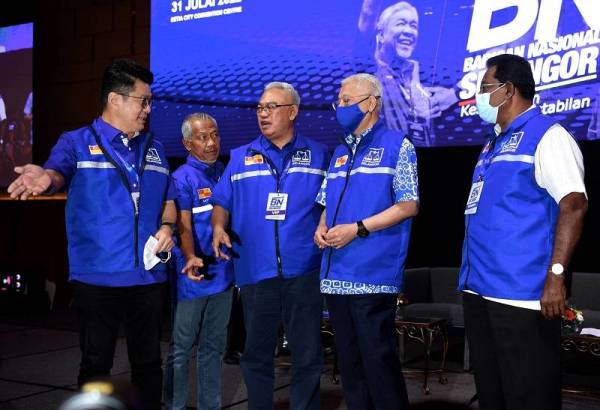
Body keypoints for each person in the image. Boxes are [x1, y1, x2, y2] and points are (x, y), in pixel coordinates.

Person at [8, 59, 176, 410]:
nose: (149, 108)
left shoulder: (156, 148)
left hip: (148, 278)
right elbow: (56, 172)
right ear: (115, 100)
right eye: (143, 100)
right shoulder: (76, 142)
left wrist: (167, 227)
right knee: (96, 367)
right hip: (97, 279)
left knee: (149, 366)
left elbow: (169, 199)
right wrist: (45, 178)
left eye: (150, 101)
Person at [458, 54, 588, 410]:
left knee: (529, 396)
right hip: (479, 289)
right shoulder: (492, 144)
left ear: (508, 90)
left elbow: (574, 204)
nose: (478, 97)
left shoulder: (548, 136)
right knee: (493, 395)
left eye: (484, 88)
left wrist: (556, 277)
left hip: (521, 295)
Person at [210, 82, 329, 410]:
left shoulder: (320, 155)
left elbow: (333, 202)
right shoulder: (239, 156)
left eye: (272, 107)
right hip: (255, 271)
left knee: (307, 354)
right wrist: (219, 227)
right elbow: (221, 200)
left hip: (304, 270)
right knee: (256, 355)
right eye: (260, 107)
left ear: (292, 112)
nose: (263, 113)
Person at [314, 72, 418, 410]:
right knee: (350, 367)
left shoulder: (397, 145)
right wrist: (322, 225)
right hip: (336, 274)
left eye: (347, 100)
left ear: (370, 103)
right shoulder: (340, 151)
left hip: (372, 275)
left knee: (379, 365)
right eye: (338, 101)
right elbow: (328, 201)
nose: (340, 107)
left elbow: (408, 205)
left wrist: (357, 228)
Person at [163, 113, 234, 410]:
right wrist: (191, 256)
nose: (211, 143)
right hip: (191, 277)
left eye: (215, 135)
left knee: (214, 348)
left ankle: (210, 405)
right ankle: (174, 405)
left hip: (224, 275)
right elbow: (184, 227)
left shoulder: (225, 172)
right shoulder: (181, 178)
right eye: (203, 137)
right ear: (187, 143)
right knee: (181, 349)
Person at [358, 0, 458, 146]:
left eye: (413, 26)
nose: (408, 31)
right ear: (380, 33)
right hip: (384, 160)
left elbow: (444, 99)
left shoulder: (414, 78)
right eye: (400, 23)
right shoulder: (370, 69)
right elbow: (367, 17)